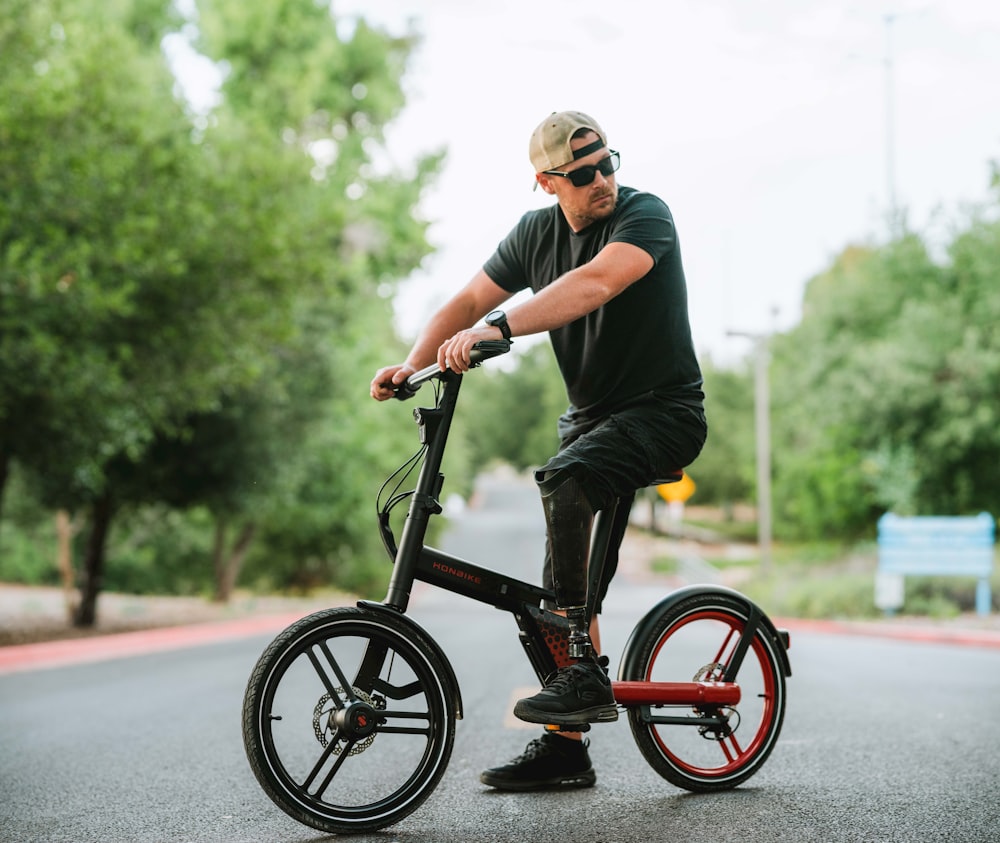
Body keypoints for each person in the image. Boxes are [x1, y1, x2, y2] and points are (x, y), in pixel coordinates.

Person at [370, 110, 707, 791]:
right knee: (561, 589)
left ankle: (582, 674)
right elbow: (466, 297)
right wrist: (411, 364)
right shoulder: (536, 234)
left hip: (664, 413)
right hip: (591, 420)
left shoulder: (646, 216)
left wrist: (501, 327)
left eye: (609, 162)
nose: (604, 179)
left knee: (565, 477)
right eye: (584, 174)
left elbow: (595, 285)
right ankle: (566, 746)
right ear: (547, 181)